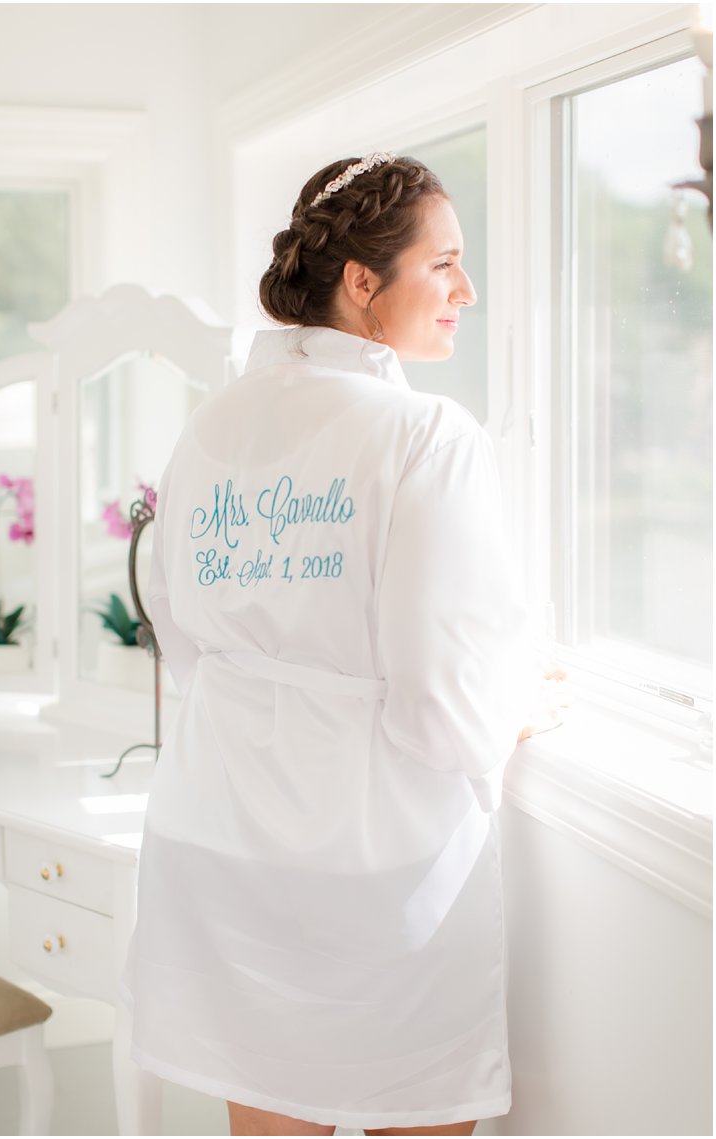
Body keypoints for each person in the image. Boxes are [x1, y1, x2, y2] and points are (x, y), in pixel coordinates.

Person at [121, 153, 560, 1137]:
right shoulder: (425, 436)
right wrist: (512, 705)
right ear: (362, 283)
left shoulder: (209, 424)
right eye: (441, 264)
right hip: (372, 859)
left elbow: (181, 634)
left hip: (213, 832)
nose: (465, 290)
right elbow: (438, 692)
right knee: (415, 1110)